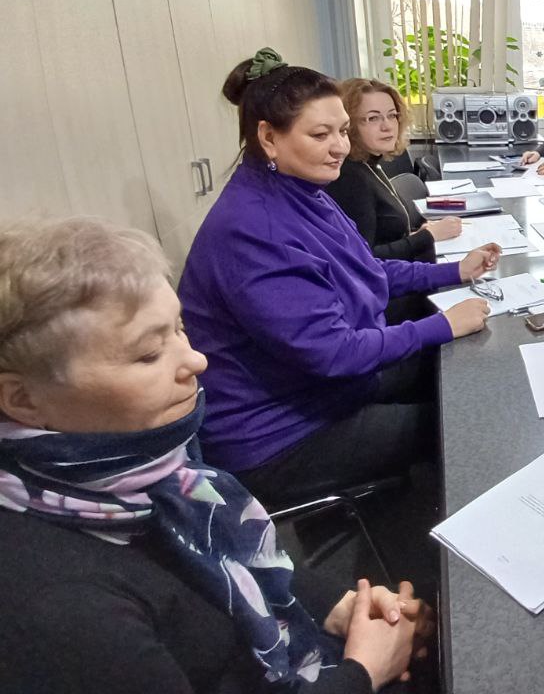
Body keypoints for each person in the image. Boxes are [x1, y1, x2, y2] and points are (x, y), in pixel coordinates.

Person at [0, 216, 431, 692]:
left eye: (180, 329)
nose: (196, 360)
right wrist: (364, 672)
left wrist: (341, 608)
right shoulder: (59, 604)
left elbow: (244, 565)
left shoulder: (147, 470)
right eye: (148, 354)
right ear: (23, 400)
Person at [179, 48, 498, 506]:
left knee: (464, 375)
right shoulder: (253, 230)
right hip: (280, 436)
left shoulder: (302, 189)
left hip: (323, 391)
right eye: (321, 134)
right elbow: (334, 353)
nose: (341, 147)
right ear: (268, 137)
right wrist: (442, 324)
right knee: (465, 420)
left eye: (344, 131)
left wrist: (452, 271)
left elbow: (363, 269)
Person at [325, 77, 462, 264]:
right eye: (373, 118)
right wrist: (427, 236)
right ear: (348, 125)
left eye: (392, 115)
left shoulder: (369, 164)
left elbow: (386, 236)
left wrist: (418, 235)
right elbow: (366, 259)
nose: (387, 126)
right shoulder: (350, 178)